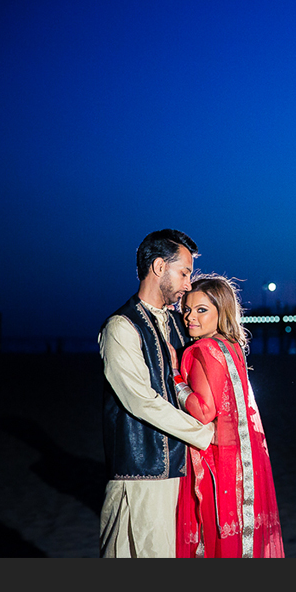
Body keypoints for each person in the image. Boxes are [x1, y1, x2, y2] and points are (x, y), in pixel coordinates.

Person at [98, 229, 216, 558]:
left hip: (182, 471)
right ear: (160, 267)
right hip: (140, 474)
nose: (188, 285)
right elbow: (140, 400)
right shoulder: (120, 327)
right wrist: (205, 435)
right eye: (184, 273)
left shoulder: (178, 323)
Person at [174, 275, 284, 558]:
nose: (189, 317)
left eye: (201, 310)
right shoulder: (231, 345)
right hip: (244, 458)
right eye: (187, 309)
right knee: (239, 537)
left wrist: (175, 378)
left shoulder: (202, 349)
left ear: (221, 312)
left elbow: (204, 411)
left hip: (217, 462)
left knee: (213, 537)